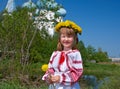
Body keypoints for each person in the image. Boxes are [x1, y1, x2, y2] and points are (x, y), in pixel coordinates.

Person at [42, 20, 83, 89]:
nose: (66, 39)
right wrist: (49, 78)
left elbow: (77, 72)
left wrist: (61, 78)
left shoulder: (75, 54)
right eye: (63, 36)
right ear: (60, 38)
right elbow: (50, 69)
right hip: (55, 86)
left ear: (75, 39)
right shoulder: (55, 54)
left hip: (69, 86)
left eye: (69, 37)